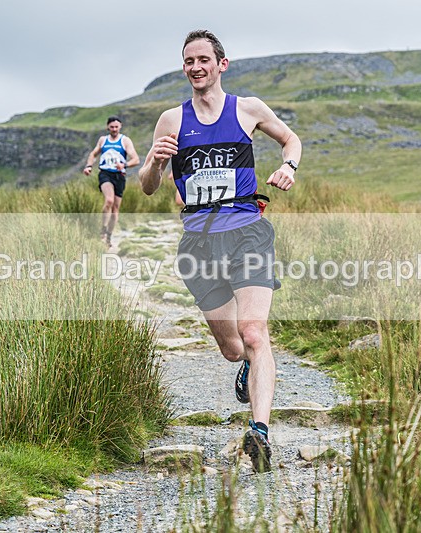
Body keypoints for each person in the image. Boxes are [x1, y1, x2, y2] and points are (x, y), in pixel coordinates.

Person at [139, 30, 301, 472]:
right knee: (233, 348)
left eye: (203, 59)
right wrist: (154, 161)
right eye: (188, 60)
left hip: (248, 232)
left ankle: (260, 431)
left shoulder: (247, 109)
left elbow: (291, 140)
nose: (195, 67)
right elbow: (149, 188)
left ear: (221, 64)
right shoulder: (171, 121)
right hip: (199, 242)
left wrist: (288, 166)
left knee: (254, 333)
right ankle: (247, 367)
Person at [83, 116, 140, 247]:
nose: (114, 129)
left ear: (120, 127)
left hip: (119, 176)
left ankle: (108, 235)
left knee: (115, 209)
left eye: (116, 127)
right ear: (107, 127)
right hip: (105, 173)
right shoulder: (103, 140)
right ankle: (103, 228)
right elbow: (93, 154)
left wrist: (124, 165)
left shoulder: (125, 141)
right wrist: (89, 166)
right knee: (109, 200)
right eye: (111, 127)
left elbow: (136, 159)